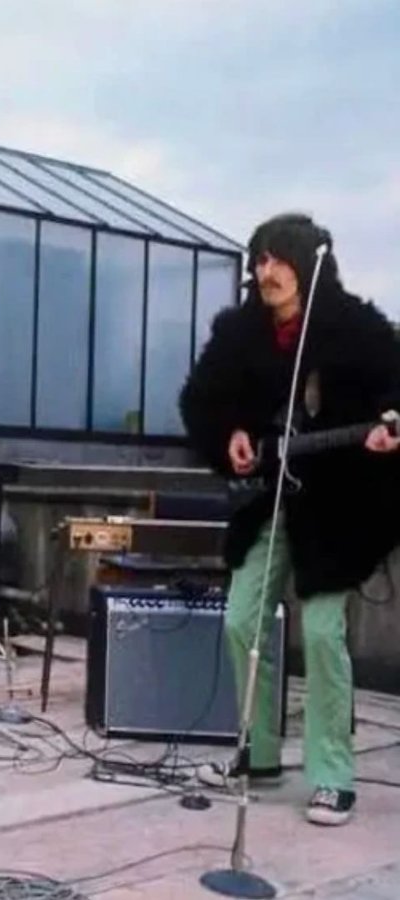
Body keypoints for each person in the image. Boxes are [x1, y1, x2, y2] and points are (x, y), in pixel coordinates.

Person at [180, 212, 400, 828]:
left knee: (325, 635)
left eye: (278, 258)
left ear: (308, 264)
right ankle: (259, 753)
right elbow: (203, 399)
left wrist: (390, 427)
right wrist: (231, 436)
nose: (265, 271)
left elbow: (395, 389)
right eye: (259, 260)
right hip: (269, 499)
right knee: (241, 620)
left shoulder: (356, 326)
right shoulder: (238, 332)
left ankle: (333, 775)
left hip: (337, 506)